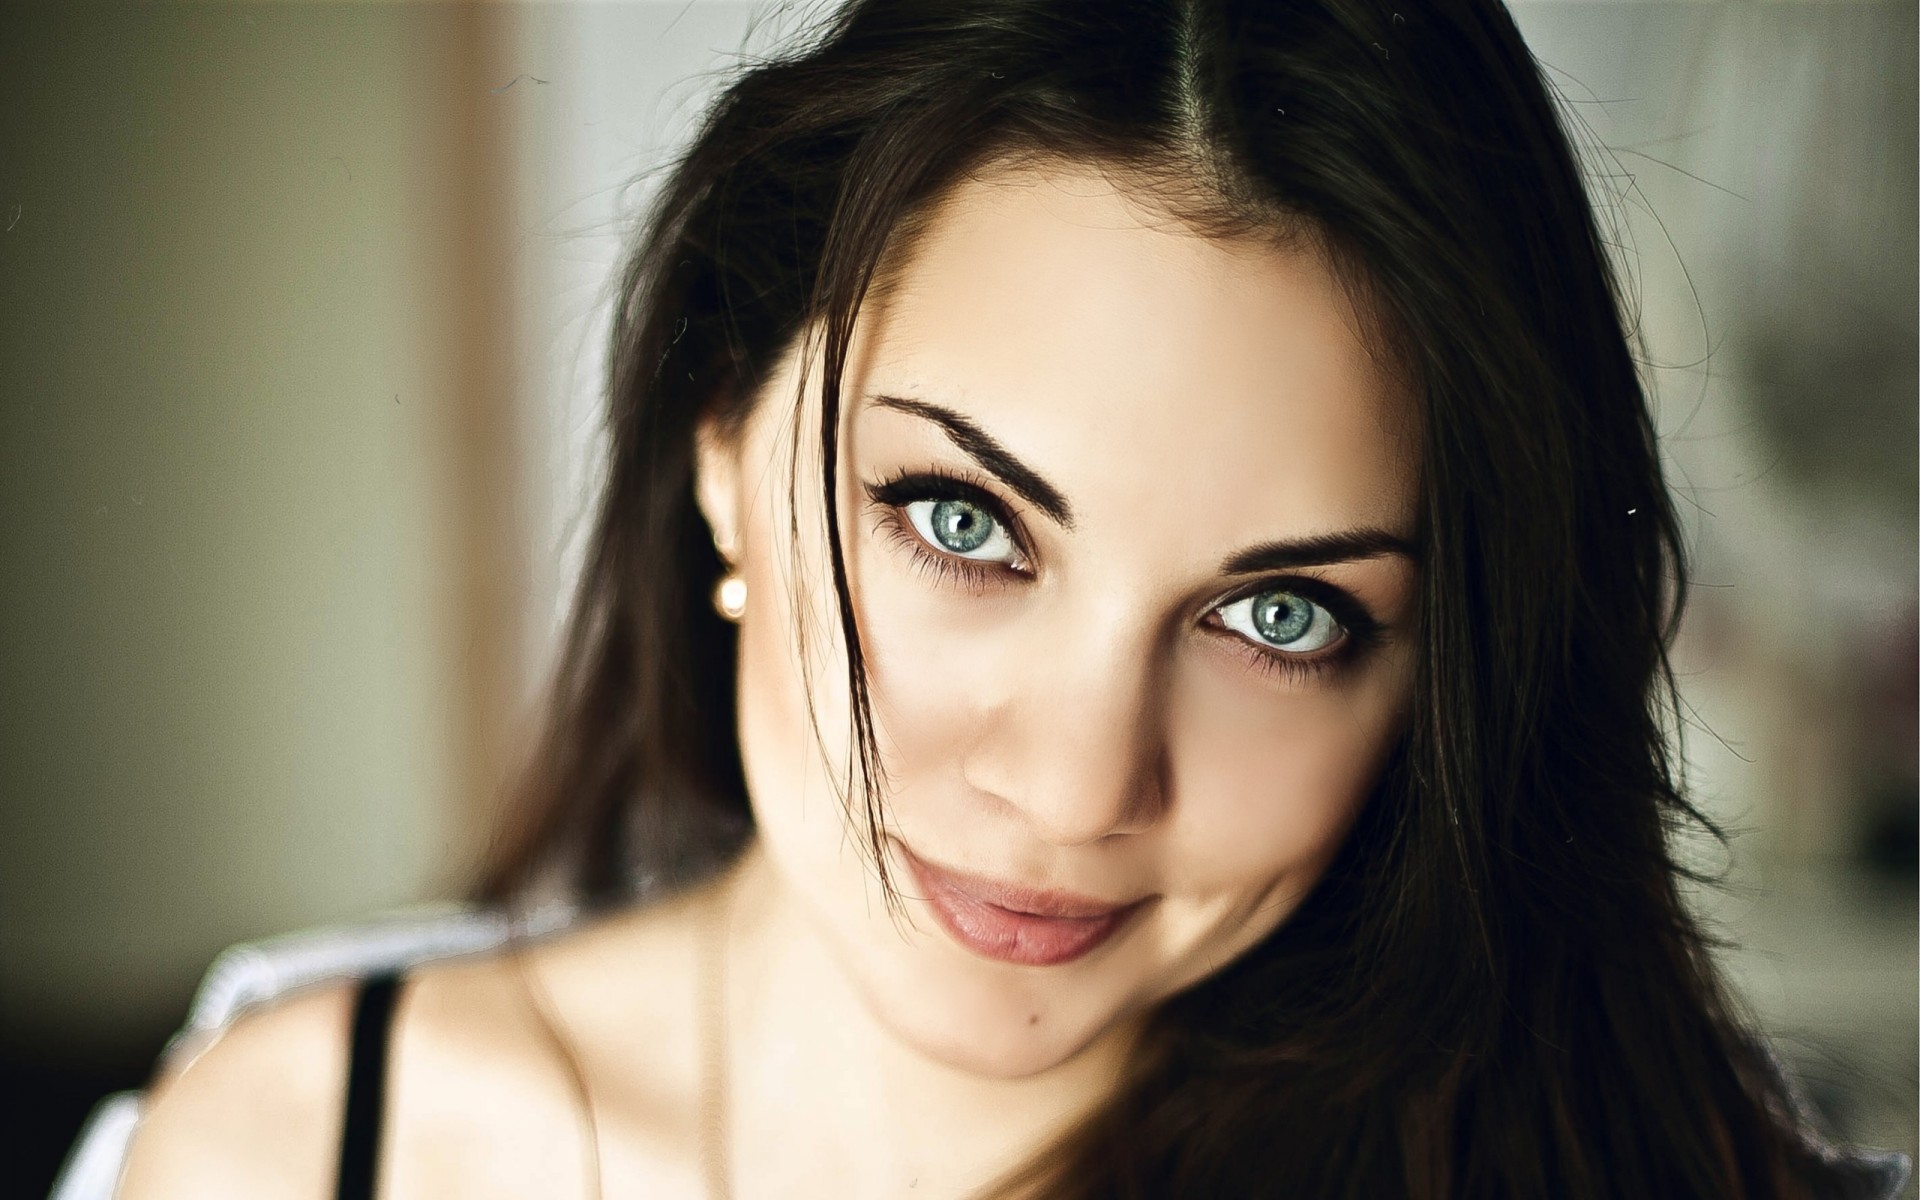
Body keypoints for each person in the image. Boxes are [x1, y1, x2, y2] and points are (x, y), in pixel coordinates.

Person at [78, 0, 1909, 1197]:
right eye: (961, 521)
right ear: (721, 436)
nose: (1077, 783)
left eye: (1283, 617)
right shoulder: (301, 1148)